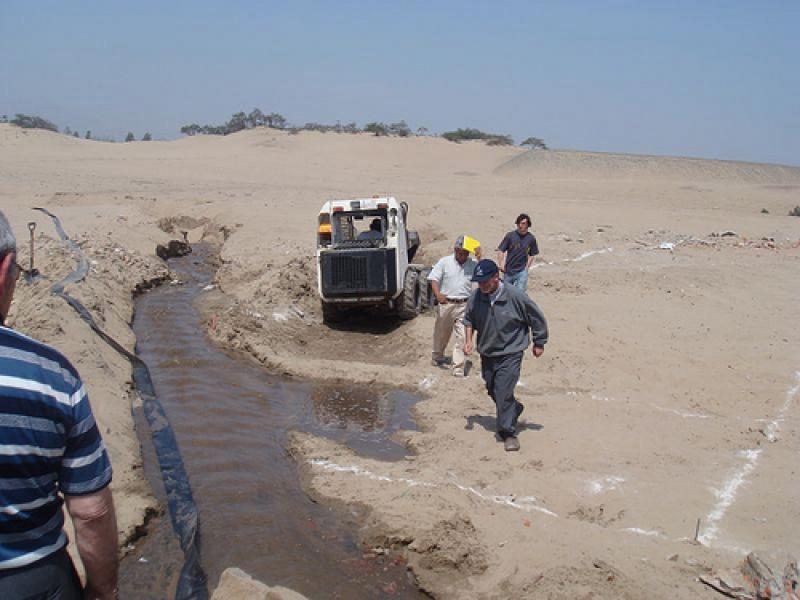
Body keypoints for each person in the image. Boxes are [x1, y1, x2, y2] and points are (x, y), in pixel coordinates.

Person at [0, 210, 118, 599]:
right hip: (31, 578)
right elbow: (91, 511)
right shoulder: (51, 376)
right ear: (4, 271)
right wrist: (102, 590)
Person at [463, 259, 548, 452]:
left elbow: (536, 317)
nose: (481, 285)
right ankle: (514, 408)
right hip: (487, 352)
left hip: (511, 351)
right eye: (479, 282)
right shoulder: (476, 297)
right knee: (492, 388)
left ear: (495, 277)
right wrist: (468, 341)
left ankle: (508, 432)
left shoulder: (515, 296)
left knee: (502, 390)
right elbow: (468, 320)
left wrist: (539, 342)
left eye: (485, 281)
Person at [427, 236, 481, 377]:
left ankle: (458, 366)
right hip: (447, 304)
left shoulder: (473, 264)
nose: (463, 255)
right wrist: (437, 294)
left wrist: (480, 257)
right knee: (442, 334)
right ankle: (437, 355)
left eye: (465, 253)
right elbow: (434, 278)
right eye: (460, 252)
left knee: (462, 336)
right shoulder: (444, 262)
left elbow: (484, 273)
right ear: (456, 250)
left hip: (464, 305)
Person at [496, 213, 539, 292]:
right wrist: (501, 264)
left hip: (521, 271)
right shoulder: (510, 236)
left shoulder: (531, 238)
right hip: (508, 271)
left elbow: (532, 254)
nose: (520, 225)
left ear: (528, 225)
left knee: (519, 293)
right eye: (519, 223)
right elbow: (501, 250)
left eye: (523, 223)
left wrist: (526, 268)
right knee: (507, 293)